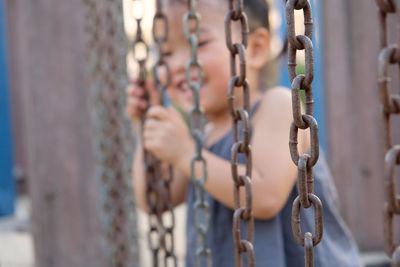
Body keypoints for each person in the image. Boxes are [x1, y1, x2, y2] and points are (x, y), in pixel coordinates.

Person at [126, 0, 362, 266]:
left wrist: (184, 152)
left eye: (198, 44)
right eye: (166, 53)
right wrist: (147, 126)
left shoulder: (279, 107)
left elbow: (264, 197)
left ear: (256, 48)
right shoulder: (200, 137)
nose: (180, 63)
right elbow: (156, 200)